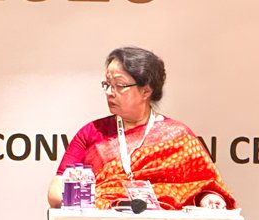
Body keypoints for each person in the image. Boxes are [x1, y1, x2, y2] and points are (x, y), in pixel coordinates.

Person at [47, 46, 236, 210]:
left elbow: (206, 187)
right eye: (107, 84)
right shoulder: (91, 132)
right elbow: (56, 191)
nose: (109, 93)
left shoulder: (179, 136)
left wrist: (207, 199)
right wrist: (98, 205)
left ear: (146, 91)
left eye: (119, 85)